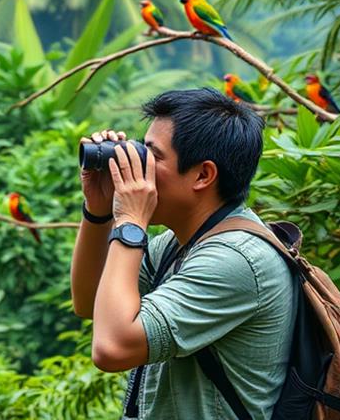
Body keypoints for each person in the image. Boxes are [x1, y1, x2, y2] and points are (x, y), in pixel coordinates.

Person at [70, 88, 294, 419]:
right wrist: (99, 210)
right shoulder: (178, 243)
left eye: (152, 156)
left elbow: (111, 348)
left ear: (203, 175)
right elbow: (88, 301)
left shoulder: (237, 260)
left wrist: (131, 220)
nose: (138, 166)